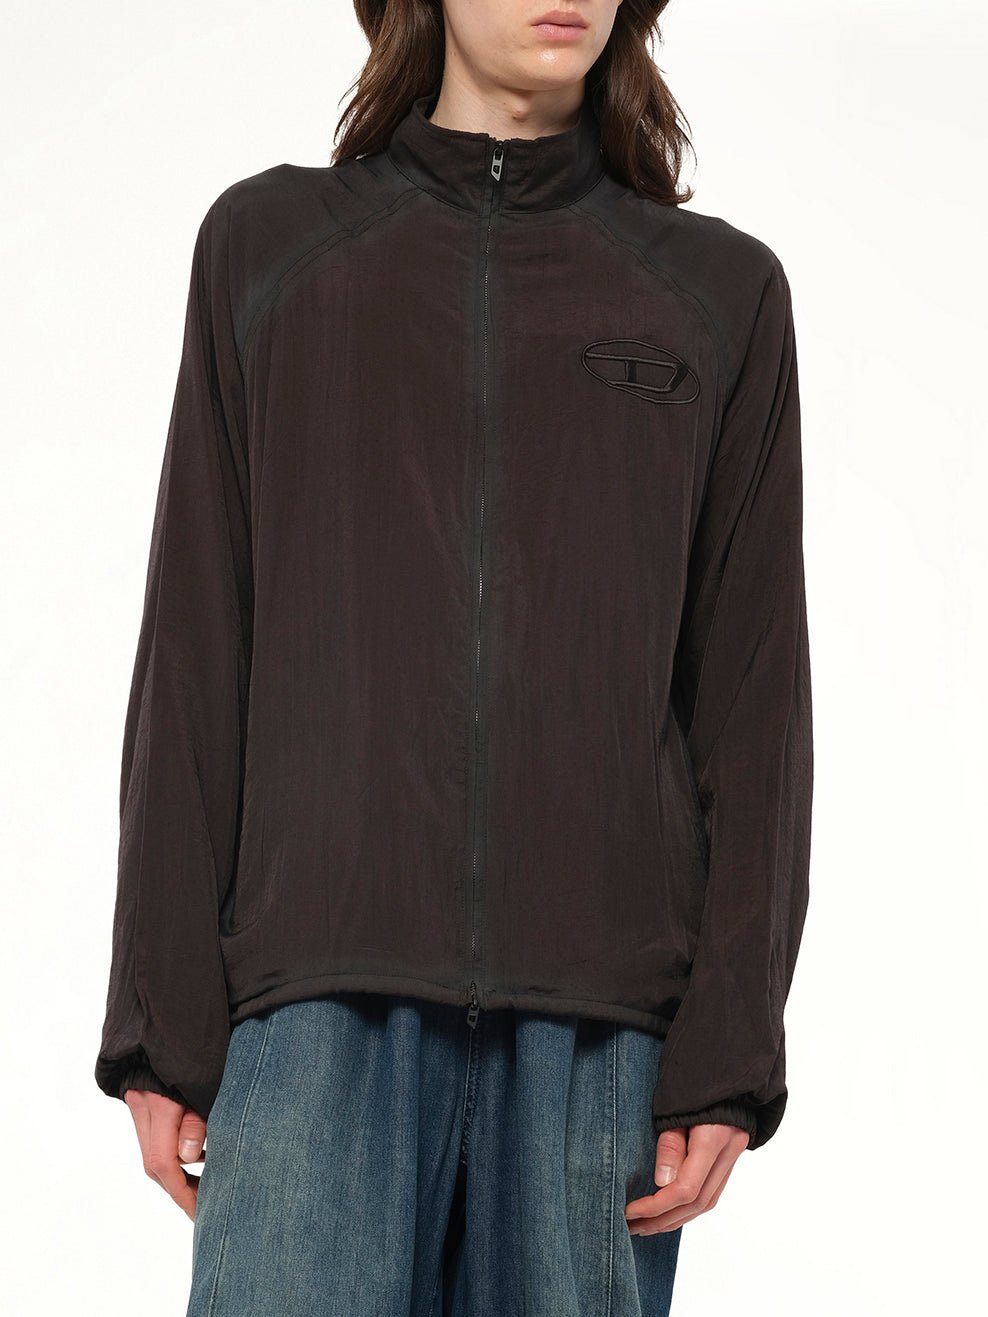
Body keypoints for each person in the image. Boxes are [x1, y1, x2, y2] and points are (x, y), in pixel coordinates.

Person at [94, 1, 814, 1312]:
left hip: (601, 1039)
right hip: (314, 1011)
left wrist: (730, 1046)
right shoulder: (273, 249)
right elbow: (195, 642)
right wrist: (163, 1022)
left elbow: (755, 698)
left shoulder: (717, 294)